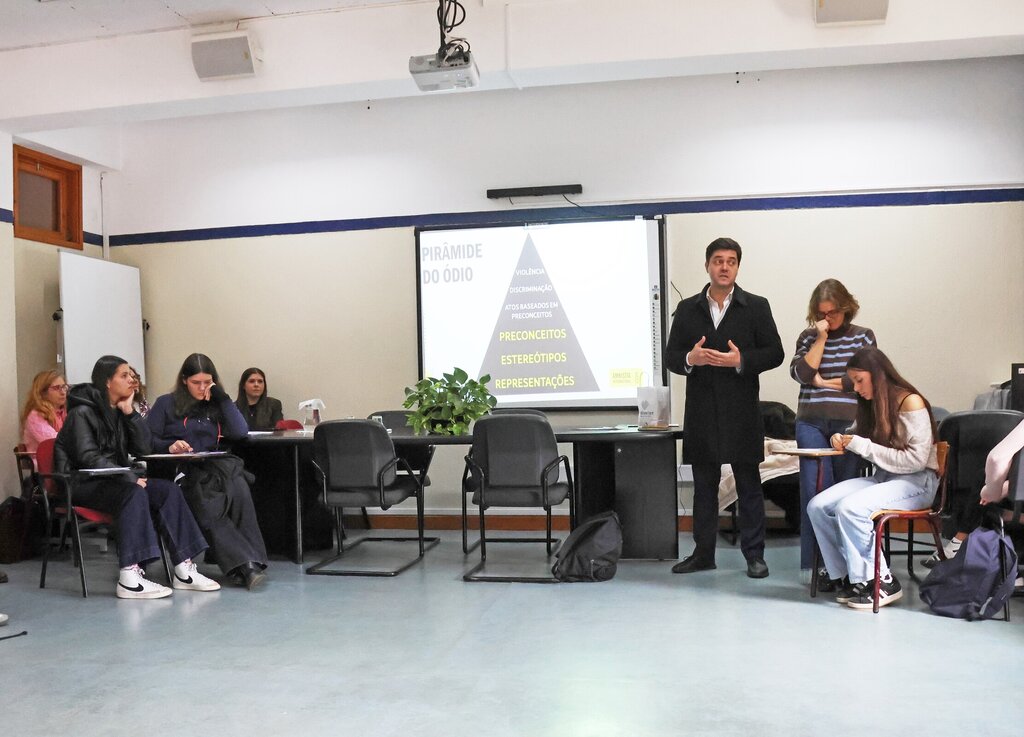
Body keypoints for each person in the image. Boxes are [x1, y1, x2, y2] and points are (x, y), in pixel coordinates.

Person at [665, 237, 784, 578]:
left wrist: (740, 360)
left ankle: (755, 556)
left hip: (742, 410)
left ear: (737, 267)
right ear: (707, 265)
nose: (724, 267)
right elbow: (672, 357)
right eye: (718, 260)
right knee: (704, 487)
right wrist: (691, 358)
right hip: (702, 411)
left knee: (749, 486)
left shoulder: (756, 306)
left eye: (731, 261)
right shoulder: (688, 308)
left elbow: (775, 353)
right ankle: (703, 554)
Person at [54, 355, 220, 599]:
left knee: (168, 491)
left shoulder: (119, 410)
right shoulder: (81, 413)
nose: (131, 380)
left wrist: (130, 413)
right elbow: (88, 458)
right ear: (107, 381)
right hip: (81, 483)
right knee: (133, 493)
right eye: (124, 376)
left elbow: (144, 448)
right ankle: (129, 577)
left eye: (131, 375)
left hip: (114, 480)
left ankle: (185, 569)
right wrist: (128, 477)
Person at [807, 347, 939, 610]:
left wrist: (861, 445)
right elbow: (857, 435)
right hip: (885, 478)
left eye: (859, 380)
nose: (855, 388)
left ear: (877, 375)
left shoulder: (910, 402)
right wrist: (841, 438)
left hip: (917, 482)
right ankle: (847, 576)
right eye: (853, 382)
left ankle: (881, 580)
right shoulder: (873, 404)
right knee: (818, 506)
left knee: (851, 508)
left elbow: (915, 460)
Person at [146, 353, 269, 590]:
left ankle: (251, 561)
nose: (202, 388)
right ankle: (246, 565)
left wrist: (223, 399)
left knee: (239, 486)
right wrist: (169, 446)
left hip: (214, 466)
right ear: (184, 380)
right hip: (182, 470)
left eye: (207, 382)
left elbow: (240, 432)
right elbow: (147, 440)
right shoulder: (165, 404)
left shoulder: (215, 403)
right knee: (207, 497)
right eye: (196, 383)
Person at [789, 279, 877, 585]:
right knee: (814, 493)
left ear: (846, 307)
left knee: (845, 494)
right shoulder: (808, 336)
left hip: (850, 424)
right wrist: (821, 338)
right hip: (811, 422)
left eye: (833, 313)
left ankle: (850, 566)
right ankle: (819, 567)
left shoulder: (862, 336)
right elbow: (802, 373)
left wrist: (825, 382)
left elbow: (865, 377)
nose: (828, 318)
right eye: (822, 313)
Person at [20, 370, 69, 454]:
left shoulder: (66, 412)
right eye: (56, 388)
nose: (63, 392)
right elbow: (54, 442)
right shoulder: (35, 415)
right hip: (43, 461)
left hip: (62, 458)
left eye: (64, 387)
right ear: (43, 392)